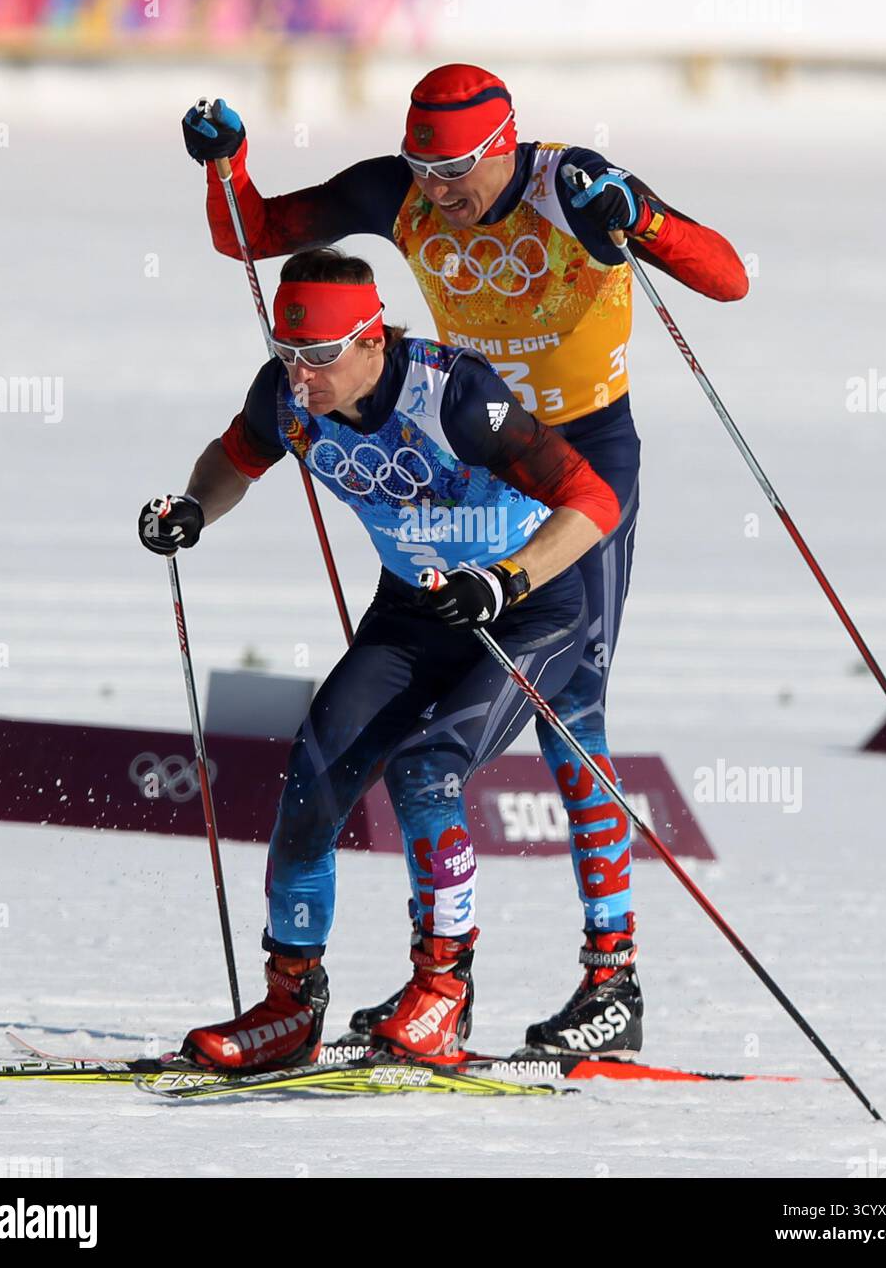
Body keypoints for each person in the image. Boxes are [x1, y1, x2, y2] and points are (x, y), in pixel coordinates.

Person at [181, 65, 749, 1056]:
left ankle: (612, 977)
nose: (437, 187)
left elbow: (728, 276)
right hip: (464, 446)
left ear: (503, 145)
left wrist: (642, 225)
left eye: (454, 168)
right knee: (374, 728)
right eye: (421, 165)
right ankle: (360, 987)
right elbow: (252, 235)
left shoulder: (566, 184)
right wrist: (225, 161)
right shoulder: (400, 194)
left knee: (574, 714)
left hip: (578, 459)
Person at [138, 248, 621, 1070]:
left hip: (528, 612)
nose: (301, 378)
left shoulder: (457, 397)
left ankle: (442, 994)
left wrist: (505, 581)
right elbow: (235, 459)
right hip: (412, 615)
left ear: (372, 341)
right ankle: (290, 1006)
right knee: (312, 780)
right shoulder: (286, 397)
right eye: (287, 356)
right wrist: (192, 507)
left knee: (424, 772)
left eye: (320, 358)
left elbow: (593, 500)